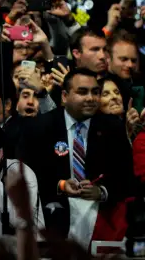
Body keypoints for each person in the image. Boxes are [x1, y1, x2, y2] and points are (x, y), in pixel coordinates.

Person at [19, 68, 133, 244]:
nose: (90, 98)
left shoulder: (112, 127)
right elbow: (27, 175)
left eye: (95, 92)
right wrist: (61, 185)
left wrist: (102, 191)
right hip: (52, 219)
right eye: (82, 92)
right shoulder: (39, 127)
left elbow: (126, 177)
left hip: (100, 221)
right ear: (64, 96)